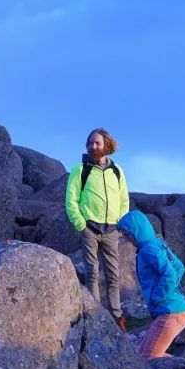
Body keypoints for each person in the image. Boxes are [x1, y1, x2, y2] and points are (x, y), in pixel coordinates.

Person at [65, 128, 130, 332]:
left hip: (112, 230)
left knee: (113, 275)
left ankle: (117, 316)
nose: (93, 146)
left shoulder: (116, 171)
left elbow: (124, 200)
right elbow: (71, 199)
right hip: (89, 229)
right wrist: (81, 225)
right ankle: (95, 315)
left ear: (106, 145)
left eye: (97, 143)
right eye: (90, 143)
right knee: (91, 273)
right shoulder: (80, 169)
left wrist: (120, 224)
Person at [116, 210, 185, 359]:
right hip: (174, 310)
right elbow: (179, 267)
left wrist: (157, 297)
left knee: (148, 357)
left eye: (126, 234)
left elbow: (170, 274)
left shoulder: (148, 250)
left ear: (136, 231)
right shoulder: (157, 243)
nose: (125, 238)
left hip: (171, 312)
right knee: (141, 356)